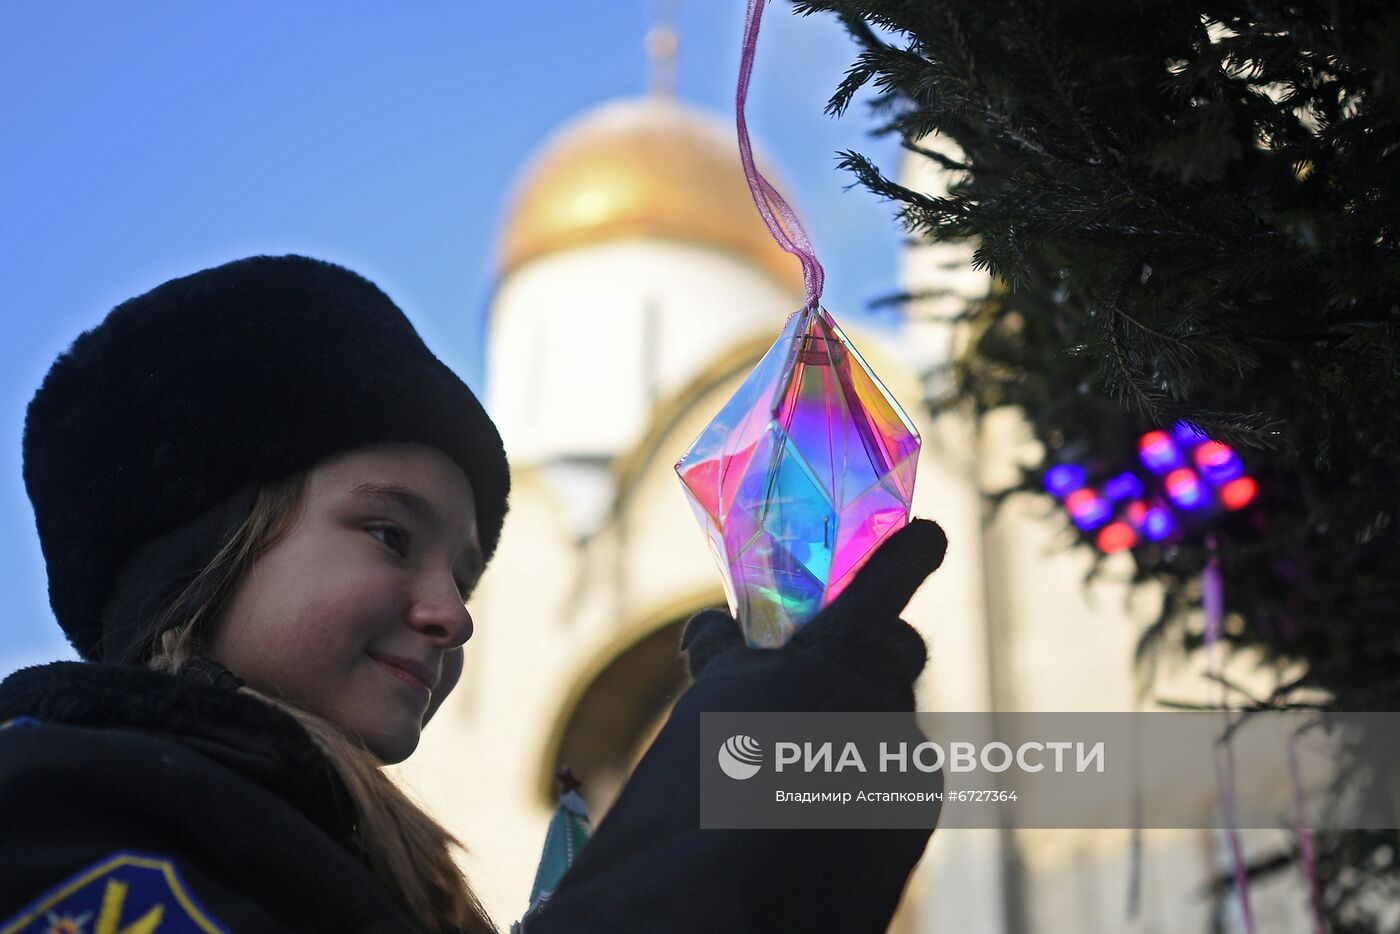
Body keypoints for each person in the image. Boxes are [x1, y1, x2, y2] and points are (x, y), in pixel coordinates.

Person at [0, 255, 947, 933]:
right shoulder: (61, 812)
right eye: (388, 536)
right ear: (209, 549)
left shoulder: (362, 873)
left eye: (462, 573)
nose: (453, 614)